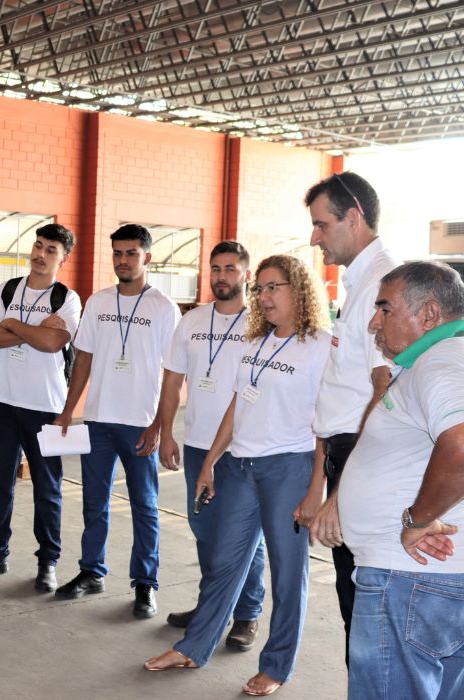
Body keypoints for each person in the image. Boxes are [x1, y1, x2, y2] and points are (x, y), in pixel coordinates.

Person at [144, 255, 331, 698]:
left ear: (299, 290)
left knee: (288, 574)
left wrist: (317, 488)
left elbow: (329, 421)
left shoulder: (322, 346)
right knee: (223, 563)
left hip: (289, 467)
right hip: (240, 466)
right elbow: (237, 404)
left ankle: (277, 665)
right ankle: (195, 645)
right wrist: (211, 461)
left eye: (273, 288)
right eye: (260, 289)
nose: (263, 298)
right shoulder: (256, 342)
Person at [334, 261, 464, 700]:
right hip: (448, 572)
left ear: (430, 314)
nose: (374, 322)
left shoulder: (442, 363)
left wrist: (418, 521)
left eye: (385, 309)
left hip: (411, 578)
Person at [294, 172, 401, 664]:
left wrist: (342, 490)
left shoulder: (381, 283)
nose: (314, 237)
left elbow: (384, 390)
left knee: (365, 609)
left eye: (321, 225)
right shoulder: (359, 281)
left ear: (353, 217)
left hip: (360, 456)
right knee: (354, 604)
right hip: (345, 453)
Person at [54, 224, 180, 618]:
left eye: (131, 253)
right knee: (95, 502)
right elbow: (84, 358)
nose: (123, 261)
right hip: (98, 420)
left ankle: (145, 584)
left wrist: (160, 425)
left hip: (140, 422)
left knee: (145, 505)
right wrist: (68, 409)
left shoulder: (163, 308)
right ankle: (91, 572)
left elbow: (173, 373)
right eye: (117, 254)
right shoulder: (99, 301)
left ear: (148, 257)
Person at [152, 240, 266, 651]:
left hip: (244, 448)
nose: (222, 276)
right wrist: (167, 432)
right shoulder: (193, 320)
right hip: (199, 444)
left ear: (246, 276)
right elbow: (172, 380)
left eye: (231, 269)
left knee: (243, 536)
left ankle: (247, 614)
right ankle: (211, 605)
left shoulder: (262, 323)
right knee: (205, 530)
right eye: (216, 268)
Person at [0, 224, 81, 593]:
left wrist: (12, 323)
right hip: (4, 403)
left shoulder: (68, 299)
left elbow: (52, 342)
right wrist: (29, 327)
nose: (40, 254)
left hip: (48, 409)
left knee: (48, 488)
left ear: (64, 257)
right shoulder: (8, 289)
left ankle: (48, 562)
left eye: (51, 249)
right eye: (38, 246)